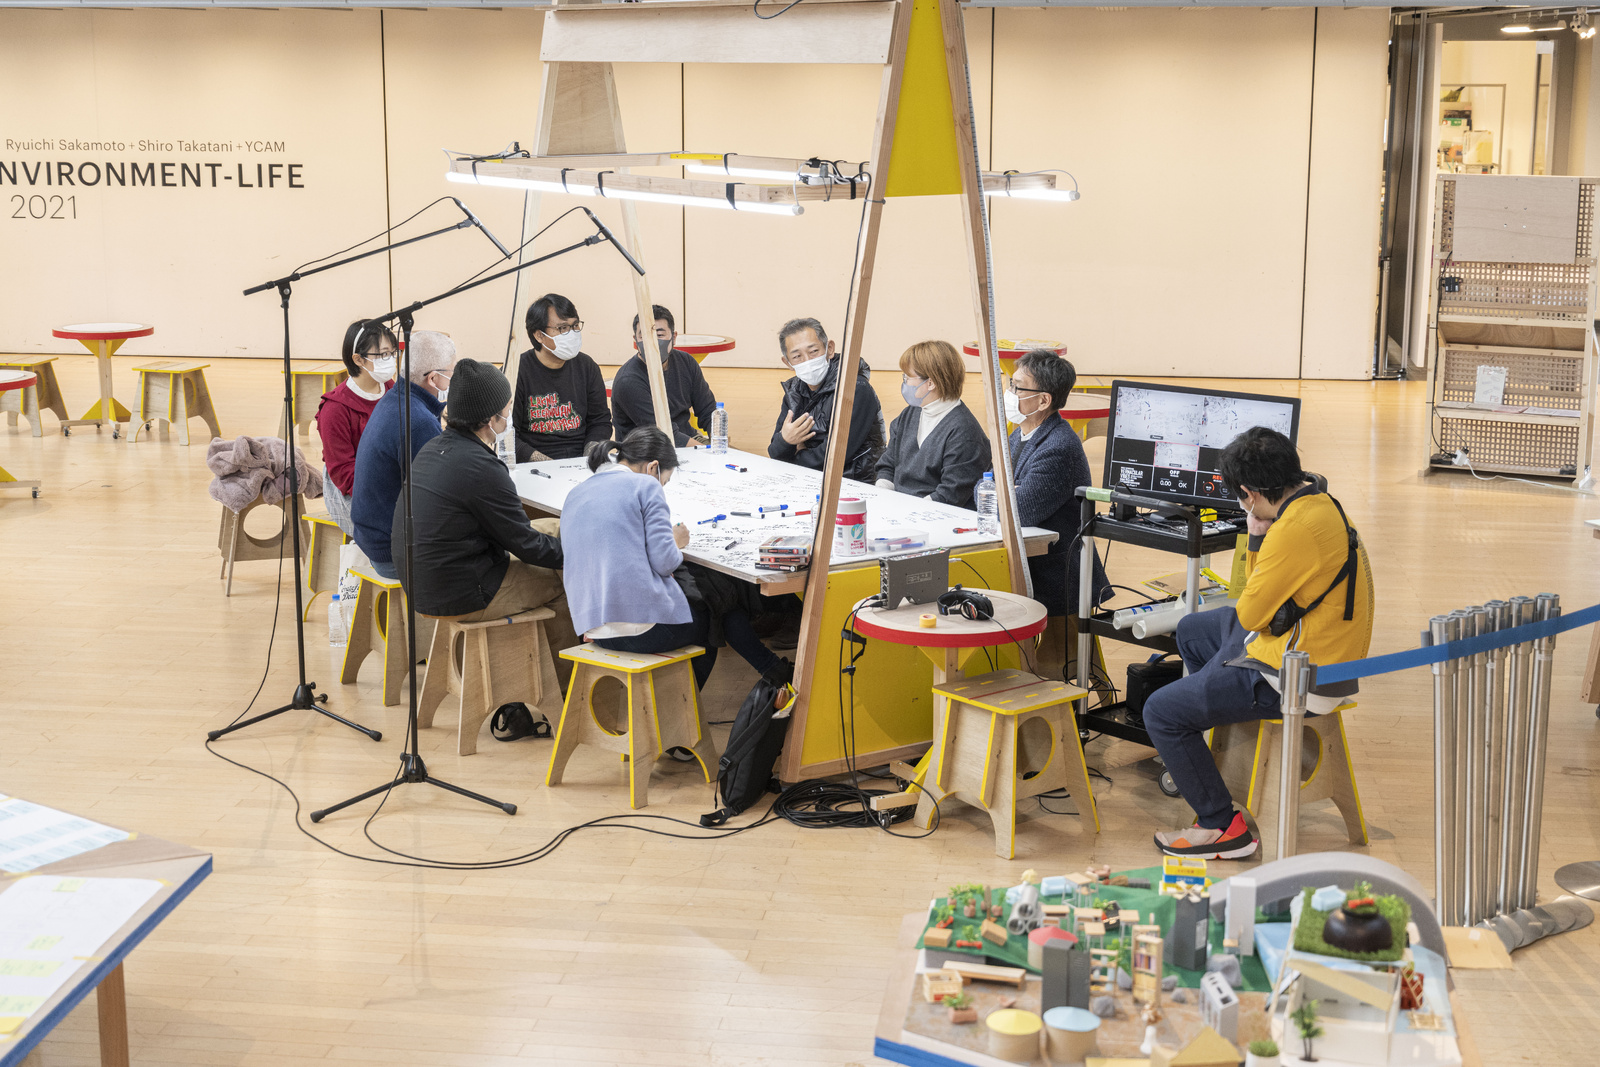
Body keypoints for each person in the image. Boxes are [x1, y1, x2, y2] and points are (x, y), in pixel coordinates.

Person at [1143, 427, 1373, 859]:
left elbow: (1250, 612)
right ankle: (1212, 738)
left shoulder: (1291, 531)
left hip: (1296, 676)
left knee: (1161, 711)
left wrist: (1255, 535)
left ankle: (1220, 826)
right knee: (1192, 629)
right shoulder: (1320, 501)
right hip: (1315, 649)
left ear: (1249, 493)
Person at [560, 428, 793, 692]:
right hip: (639, 628)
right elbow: (665, 563)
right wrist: (676, 542)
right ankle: (682, 711)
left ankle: (773, 671)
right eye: (665, 481)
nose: (661, 486)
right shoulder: (646, 485)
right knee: (716, 611)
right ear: (653, 467)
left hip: (592, 628)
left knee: (711, 600)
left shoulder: (577, 492)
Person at [391, 359, 578, 684]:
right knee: (563, 581)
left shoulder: (435, 448)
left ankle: (535, 678)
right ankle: (563, 690)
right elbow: (528, 546)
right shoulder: (483, 467)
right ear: (490, 419)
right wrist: (584, 557)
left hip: (422, 582)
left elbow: (516, 534)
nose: (509, 416)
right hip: (460, 592)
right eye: (507, 409)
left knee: (552, 528)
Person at [1003, 349, 1109, 680]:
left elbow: (1020, 509)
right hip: (1032, 560)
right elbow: (988, 487)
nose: (1010, 392)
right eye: (1010, 383)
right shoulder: (1020, 433)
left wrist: (1004, 493)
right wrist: (1003, 492)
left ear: (1043, 400)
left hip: (1057, 574)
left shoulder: (1059, 446)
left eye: (1017, 387)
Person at [350, 330, 456, 580]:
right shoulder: (418, 423)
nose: (454, 381)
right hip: (394, 553)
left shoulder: (396, 399)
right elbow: (440, 498)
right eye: (452, 374)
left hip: (375, 539)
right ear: (433, 378)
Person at [767, 317, 884, 483]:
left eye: (814, 351)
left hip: (854, 481)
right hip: (809, 479)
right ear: (788, 363)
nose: (807, 361)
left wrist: (795, 456)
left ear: (829, 349)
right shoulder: (793, 393)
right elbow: (774, 452)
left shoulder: (855, 388)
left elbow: (835, 454)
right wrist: (786, 440)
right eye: (797, 356)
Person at [875, 340, 990, 506]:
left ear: (930, 383)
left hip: (934, 513)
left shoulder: (964, 431)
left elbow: (951, 493)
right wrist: (882, 494)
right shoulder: (910, 413)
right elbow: (888, 464)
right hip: (900, 507)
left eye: (907, 377)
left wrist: (909, 510)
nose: (904, 382)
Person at [316, 319, 395, 537]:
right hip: (354, 488)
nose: (390, 360)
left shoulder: (390, 388)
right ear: (358, 359)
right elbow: (343, 471)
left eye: (392, 353)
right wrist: (384, 494)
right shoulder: (335, 409)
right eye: (383, 354)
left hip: (389, 478)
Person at [512, 293, 611, 462]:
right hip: (532, 464)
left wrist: (589, 458)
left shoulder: (587, 367)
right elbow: (506, 435)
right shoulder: (515, 372)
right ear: (539, 335)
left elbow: (600, 421)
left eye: (575, 326)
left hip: (581, 460)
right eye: (562, 328)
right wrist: (548, 464)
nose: (571, 333)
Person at [611, 304, 716, 446]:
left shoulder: (686, 362)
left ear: (674, 337)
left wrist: (718, 442)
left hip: (687, 440)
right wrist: (707, 453)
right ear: (635, 340)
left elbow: (708, 410)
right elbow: (663, 434)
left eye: (660, 335)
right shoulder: (628, 381)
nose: (652, 342)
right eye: (644, 336)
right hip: (647, 450)